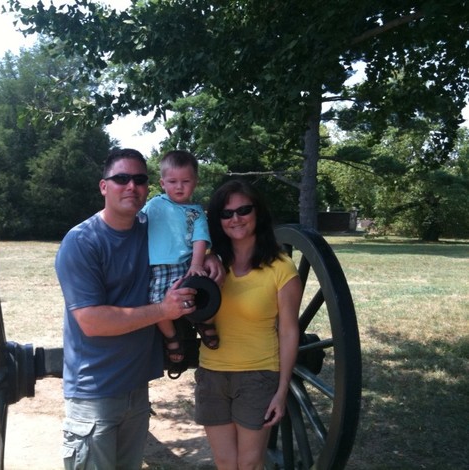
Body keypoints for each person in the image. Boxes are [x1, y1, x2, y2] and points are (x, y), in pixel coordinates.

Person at [54, 148, 224, 470]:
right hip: (96, 392)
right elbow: (91, 321)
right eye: (121, 178)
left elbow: (184, 237)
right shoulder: (82, 242)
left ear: (148, 187)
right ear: (104, 186)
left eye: (139, 179)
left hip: (137, 387)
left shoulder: (150, 228)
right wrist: (163, 310)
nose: (131, 186)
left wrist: (208, 255)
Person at [194, 180, 303, 470]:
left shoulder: (281, 268)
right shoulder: (210, 265)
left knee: (250, 463)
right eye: (226, 213)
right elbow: (200, 319)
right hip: (212, 374)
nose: (236, 219)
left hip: (258, 375)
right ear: (218, 221)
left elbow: (289, 331)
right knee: (225, 462)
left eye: (244, 210)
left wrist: (282, 390)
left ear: (258, 213)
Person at [141, 150, 218, 364]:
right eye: (173, 181)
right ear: (162, 183)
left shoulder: (196, 212)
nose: (179, 187)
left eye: (186, 181)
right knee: (157, 302)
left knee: (204, 292)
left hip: (186, 263)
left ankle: (204, 321)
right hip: (158, 266)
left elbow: (200, 238)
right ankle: (171, 337)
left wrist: (196, 264)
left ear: (195, 182)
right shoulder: (154, 205)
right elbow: (138, 223)